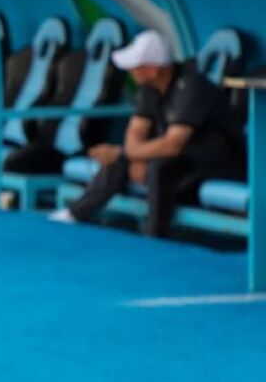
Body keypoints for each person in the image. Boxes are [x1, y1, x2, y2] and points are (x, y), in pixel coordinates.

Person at [49, 29, 246, 237]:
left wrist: (125, 153)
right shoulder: (150, 88)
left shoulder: (192, 87)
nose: (131, 71)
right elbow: (136, 131)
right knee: (123, 162)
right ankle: (75, 213)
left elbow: (172, 145)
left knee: (157, 167)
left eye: (136, 66)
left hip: (220, 164)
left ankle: (154, 237)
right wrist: (133, 156)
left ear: (153, 69)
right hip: (184, 161)